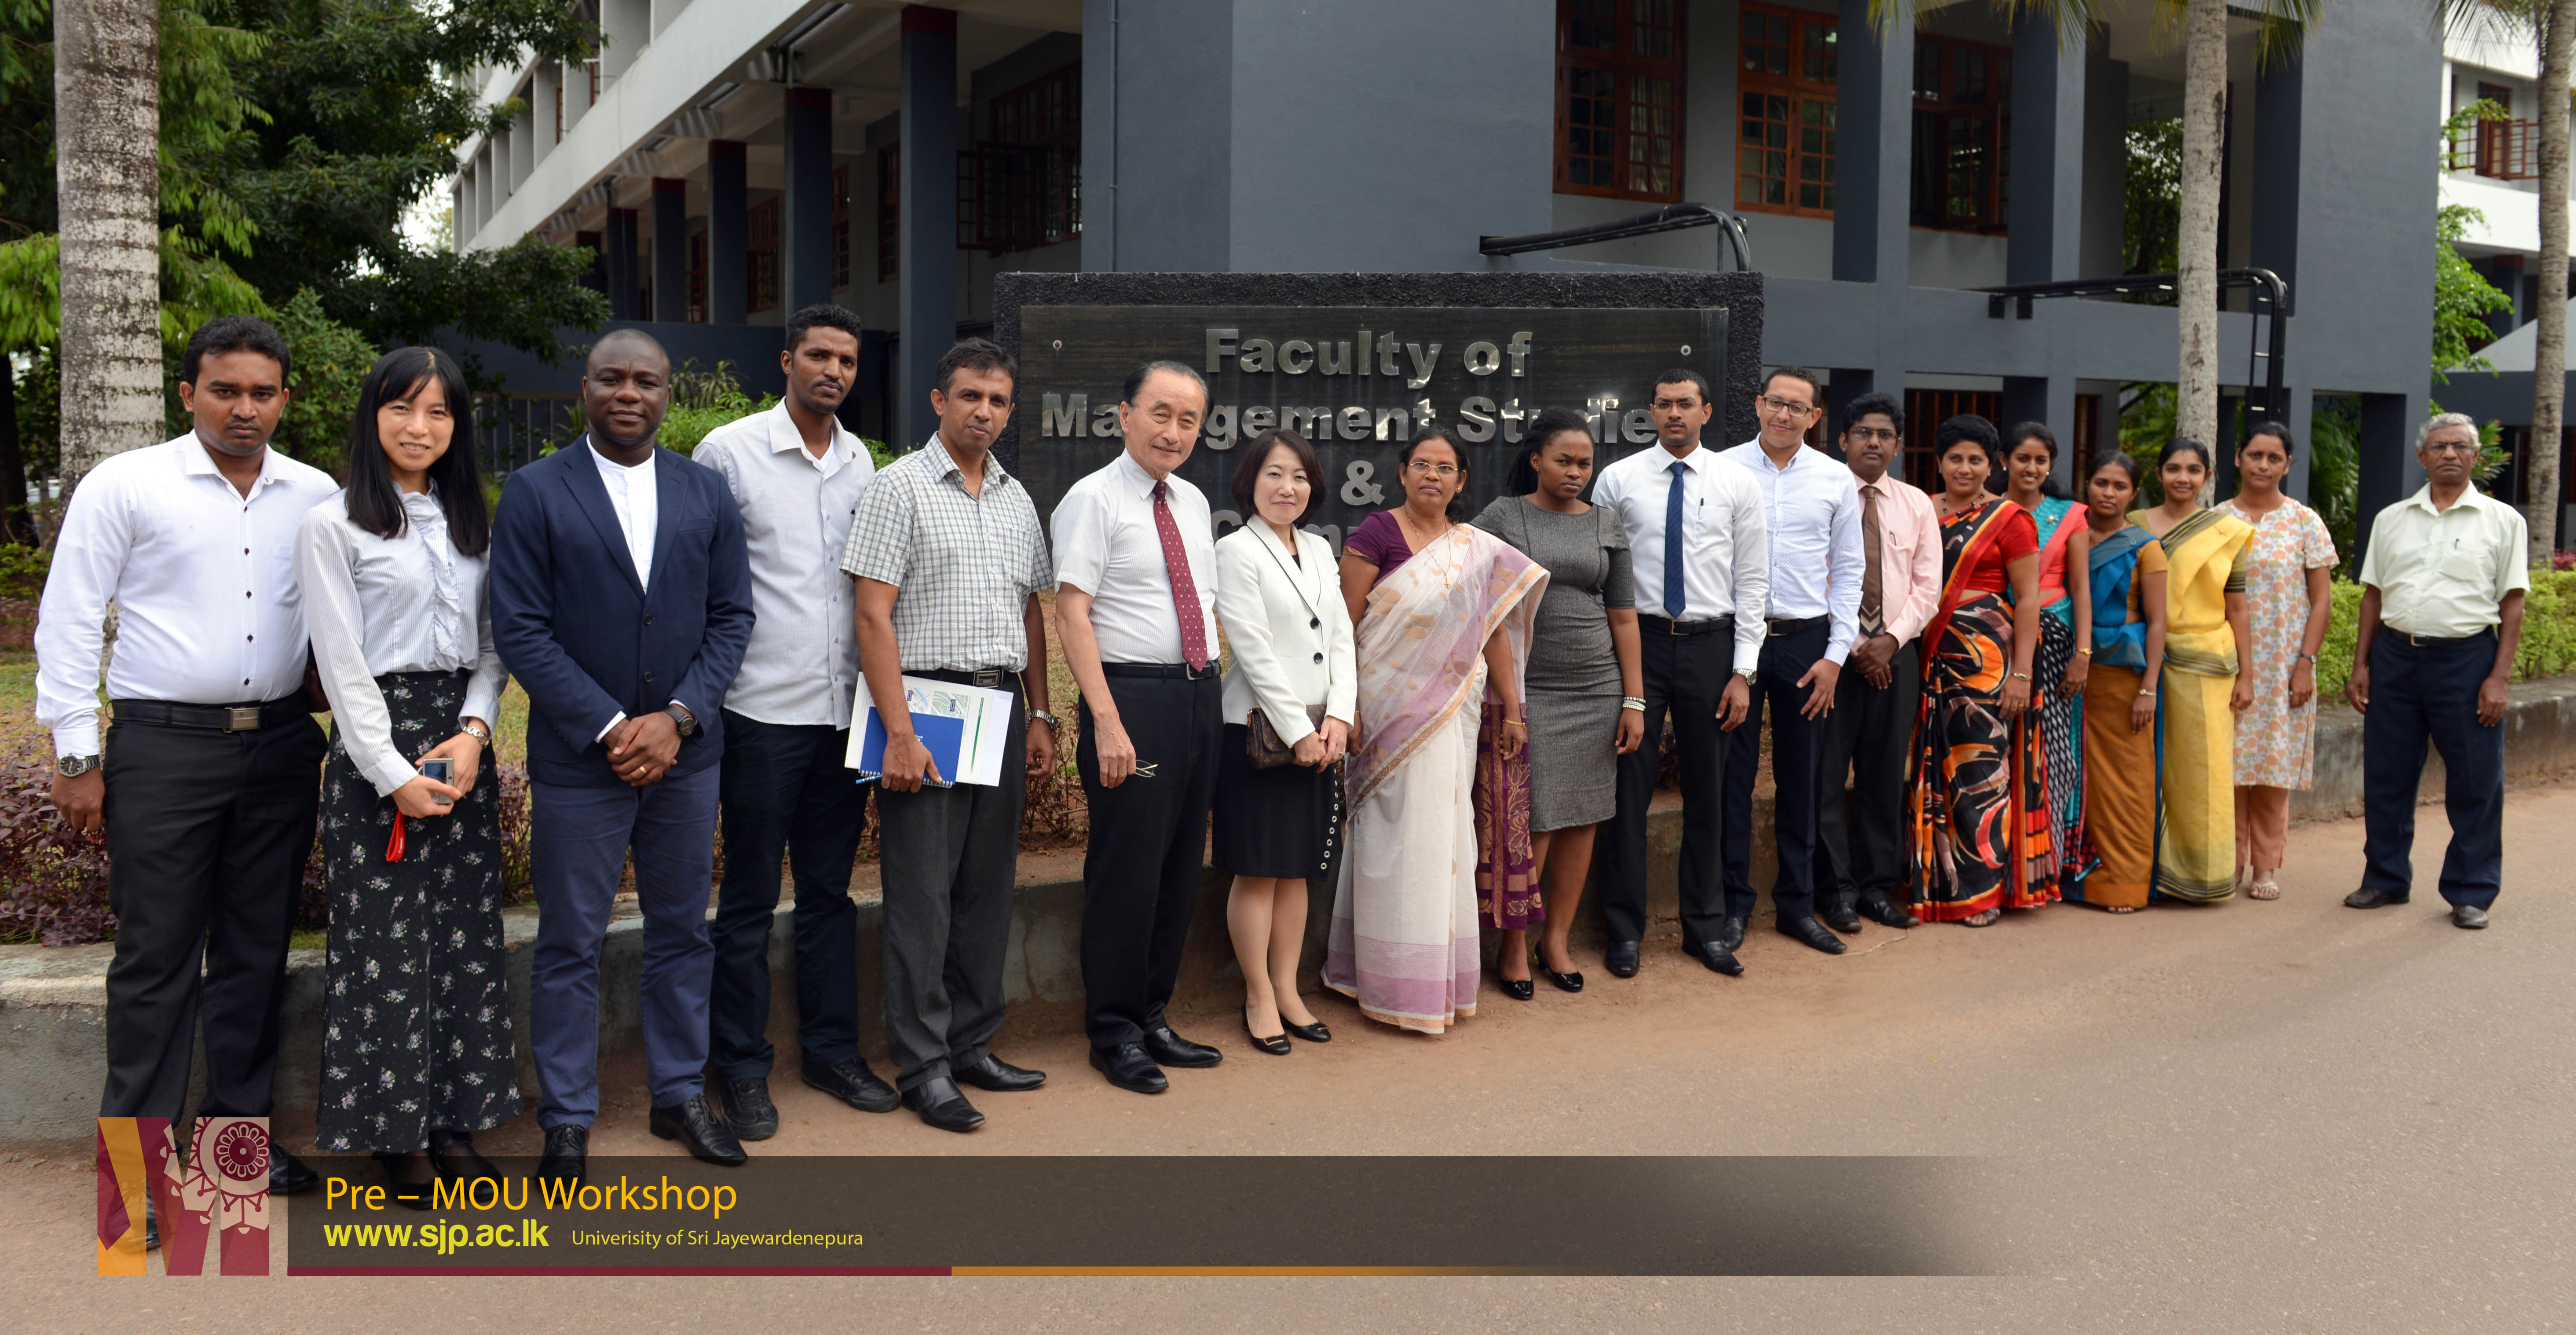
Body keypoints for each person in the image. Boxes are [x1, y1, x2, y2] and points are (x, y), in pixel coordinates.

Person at [37, 316, 337, 1196]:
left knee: (256, 954)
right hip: (163, 749)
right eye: (225, 390)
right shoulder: (126, 484)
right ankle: (131, 1176)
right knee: (155, 960)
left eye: (262, 392)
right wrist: (76, 752)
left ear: (285, 397)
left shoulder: (315, 492)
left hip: (281, 746)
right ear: (189, 393)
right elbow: (69, 617)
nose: (245, 408)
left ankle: (232, 1152)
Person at [490, 329, 755, 1177]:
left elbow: (732, 618)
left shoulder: (705, 492)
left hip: (685, 759)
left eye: (646, 380)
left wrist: (677, 717)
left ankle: (680, 1095)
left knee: (684, 931)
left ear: (669, 392)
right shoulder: (535, 491)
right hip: (581, 762)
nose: (629, 393)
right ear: (586, 387)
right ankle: (567, 1116)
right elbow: (520, 628)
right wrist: (611, 724)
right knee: (571, 940)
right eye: (613, 378)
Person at [297, 347, 515, 1197]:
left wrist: (473, 732)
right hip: (372, 751)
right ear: (372, 414)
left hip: (460, 747)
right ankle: (394, 1135)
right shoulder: (333, 523)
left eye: (437, 412)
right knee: (385, 947)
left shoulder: (472, 523)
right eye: (401, 408)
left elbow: (494, 648)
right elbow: (341, 661)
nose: (418, 428)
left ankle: (453, 1123)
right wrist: (390, 772)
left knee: (462, 941)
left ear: (457, 425)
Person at [845, 336, 1060, 1130]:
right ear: (939, 400)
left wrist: (1039, 712)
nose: (986, 412)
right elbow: (871, 614)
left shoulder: (1015, 497)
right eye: (971, 395)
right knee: (921, 899)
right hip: (925, 709)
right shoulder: (898, 487)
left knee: (983, 892)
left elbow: (1030, 611)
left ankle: (971, 1043)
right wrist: (898, 731)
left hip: (999, 707)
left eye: (999, 400)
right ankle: (924, 1065)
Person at [692, 304, 894, 1138]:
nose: (834, 371)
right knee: (745, 897)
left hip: (841, 714)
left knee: (828, 894)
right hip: (756, 712)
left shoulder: (863, 464)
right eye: (818, 355)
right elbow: (696, 582)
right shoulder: (728, 453)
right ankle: (738, 1067)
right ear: (786, 360)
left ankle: (831, 1050)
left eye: (847, 359)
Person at [1332, 426, 1546, 1032]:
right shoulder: (1375, 533)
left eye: (1445, 467)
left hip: (1454, 713)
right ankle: (1380, 977)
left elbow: (1494, 630)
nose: (1432, 475)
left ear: (1461, 480)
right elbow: (1344, 627)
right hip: (1386, 714)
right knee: (1392, 840)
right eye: (1421, 464)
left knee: (1446, 839)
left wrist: (1514, 708)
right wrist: (1345, 709)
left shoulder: (1475, 546)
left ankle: (1436, 980)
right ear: (1402, 474)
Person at [1053, 361, 1228, 1092]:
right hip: (1133, 703)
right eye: (1161, 413)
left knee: (1179, 865)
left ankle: (1154, 1012)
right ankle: (1115, 1030)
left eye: (1189, 419)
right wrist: (1108, 721)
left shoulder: (1190, 499)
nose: (1174, 431)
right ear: (1123, 414)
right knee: (1126, 871)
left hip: (1197, 696)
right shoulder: (1092, 499)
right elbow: (1072, 612)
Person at [1592, 369, 1766, 978]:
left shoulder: (1737, 483)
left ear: (1706, 412)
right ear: (1651, 411)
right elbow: (1602, 571)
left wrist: (1743, 670)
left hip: (1711, 647)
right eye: (1663, 404)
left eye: (1684, 404)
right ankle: (1623, 930)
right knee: (1627, 791)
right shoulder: (1618, 480)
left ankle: (1705, 928)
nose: (1673, 413)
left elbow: (1752, 582)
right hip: (1636, 645)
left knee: (1710, 794)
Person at [1471, 407, 1643, 997]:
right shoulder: (1503, 515)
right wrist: (1508, 698)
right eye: (1564, 460)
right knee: (1535, 819)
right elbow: (1474, 596)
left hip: (1597, 689)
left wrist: (1634, 700)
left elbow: (1623, 615)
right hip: (1528, 690)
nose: (1576, 472)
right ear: (1537, 458)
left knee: (1584, 819)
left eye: (1585, 463)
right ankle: (1514, 947)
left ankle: (1557, 940)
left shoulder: (1606, 521)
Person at [2345, 413, 2528, 930]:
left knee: (2476, 779)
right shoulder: (2392, 519)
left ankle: (2471, 890)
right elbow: (2373, 596)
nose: (2450, 454)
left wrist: (2499, 678)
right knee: (2387, 774)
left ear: (2476, 457)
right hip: (2396, 659)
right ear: (2422, 456)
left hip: (2466, 661)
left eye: (2461, 446)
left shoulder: (2503, 521)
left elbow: (2512, 603)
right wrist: (2362, 663)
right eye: (2440, 445)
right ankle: (2384, 877)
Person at [1212, 429, 1354, 1052]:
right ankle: (1258, 994)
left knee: (1297, 870)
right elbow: (1251, 648)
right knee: (1259, 870)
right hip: (1260, 733)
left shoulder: (1322, 549)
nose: (1286, 487)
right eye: (1273, 474)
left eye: (1298, 476)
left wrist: (1341, 719)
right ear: (1250, 481)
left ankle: (1289, 987)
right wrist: (1298, 730)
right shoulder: (1236, 550)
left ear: (1313, 486)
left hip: (1322, 732)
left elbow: (1344, 636)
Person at [1717, 367, 1865, 958]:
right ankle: (1732, 907)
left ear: (1814, 417)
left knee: (1803, 778)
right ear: (1757, 404)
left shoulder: (1836, 479)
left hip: (1808, 645)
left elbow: (1850, 573)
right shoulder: (1723, 468)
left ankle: (1798, 906)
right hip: (1737, 643)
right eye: (1775, 402)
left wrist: (1835, 657)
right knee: (1735, 774)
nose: (1783, 414)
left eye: (1796, 407)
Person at [1909, 415, 2053, 926]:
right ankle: (1937, 884)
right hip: (1929, 652)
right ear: (1939, 462)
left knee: (1981, 773)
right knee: (1932, 768)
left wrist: (2022, 673)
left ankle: (1983, 891)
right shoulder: (1921, 509)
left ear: (1991, 464)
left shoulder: (2010, 519)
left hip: (1988, 661)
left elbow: (2031, 598)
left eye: (1976, 460)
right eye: (1955, 458)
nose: (1965, 468)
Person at [1813, 392, 1939, 932]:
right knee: (1824, 776)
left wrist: (1888, 640)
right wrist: (1852, 646)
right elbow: (1806, 575)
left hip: (1896, 654)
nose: (1873, 442)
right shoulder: (1819, 495)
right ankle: (1836, 891)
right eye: (1862, 432)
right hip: (1831, 657)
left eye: (1884, 434)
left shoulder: (1916, 503)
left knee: (1884, 776)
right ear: (1842, 441)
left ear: (1896, 445)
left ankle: (1875, 888)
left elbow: (1928, 586)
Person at [2217, 423, 2338, 902]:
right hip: (2229, 659)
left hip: (2287, 661)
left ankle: (2266, 866)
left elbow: (2322, 599)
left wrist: (2305, 662)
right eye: (2255, 455)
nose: (2263, 465)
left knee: (2272, 766)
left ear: (2288, 464)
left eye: (2273, 457)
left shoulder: (2304, 521)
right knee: (2228, 765)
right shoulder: (2217, 519)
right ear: (2238, 458)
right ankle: (2228, 861)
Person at [2130, 439, 2253, 903]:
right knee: (2144, 768)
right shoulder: (2134, 524)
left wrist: (2248, 675)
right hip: (2140, 658)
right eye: (2174, 468)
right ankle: (2141, 870)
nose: (2183, 478)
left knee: (2201, 772)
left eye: (2194, 470)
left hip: (2205, 662)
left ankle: (2200, 875)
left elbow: (2237, 606)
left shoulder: (2227, 531)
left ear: (2208, 476)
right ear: (2159, 473)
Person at [2065, 454, 2168, 914]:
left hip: (2125, 678)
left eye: (2120, 486)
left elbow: (2160, 621)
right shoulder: (2073, 537)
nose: (2108, 493)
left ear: (2134, 493)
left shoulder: (2147, 547)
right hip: (2073, 673)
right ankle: (2076, 877)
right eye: (2100, 482)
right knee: (2077, 775)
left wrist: (2149, 687)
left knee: (2127, 780)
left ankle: (2125, 882)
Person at [2001, 423, 2093, 892]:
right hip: (1998, 642)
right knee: (2004, 754)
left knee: (2053, 757)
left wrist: (2083, 653)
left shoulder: (2072, 515)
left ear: (2050, 465)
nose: (2031, 468)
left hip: (2056, 646)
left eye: (2040, 460)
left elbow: (2080, 588)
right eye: (2022, 459)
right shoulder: (1990, 510)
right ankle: (2002, 864)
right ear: (2005, 462)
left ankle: (2048, 865)